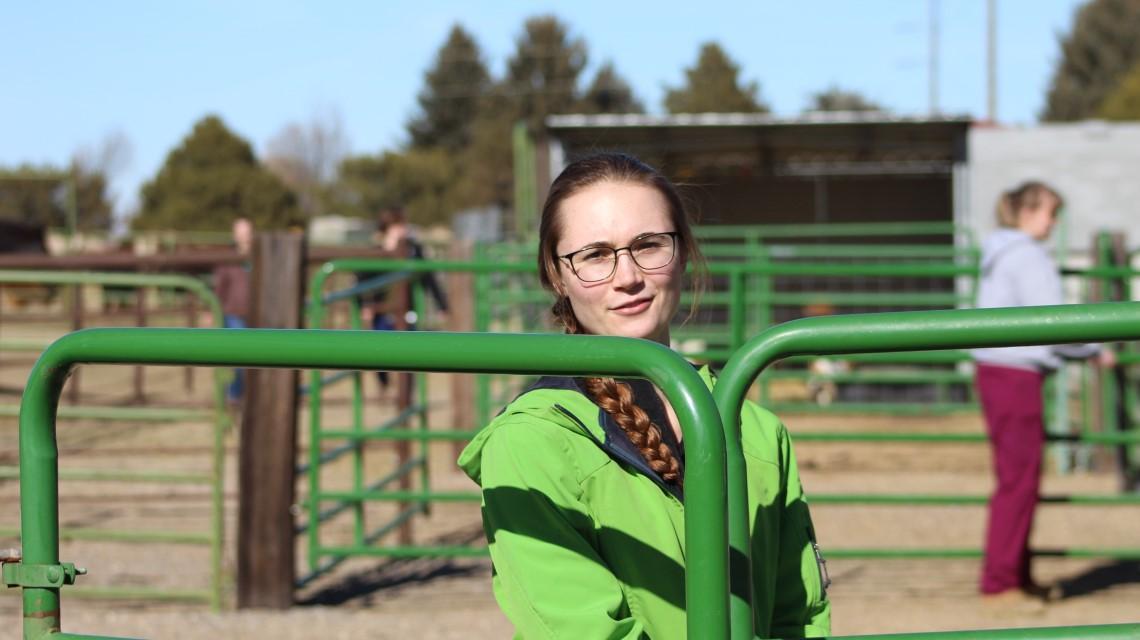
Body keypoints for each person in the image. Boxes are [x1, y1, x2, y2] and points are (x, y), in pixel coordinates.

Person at [457, 153, 830, 638]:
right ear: (556, 274)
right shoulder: (531, 443)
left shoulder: (756, 430)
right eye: (595, 255)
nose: (628, 275)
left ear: (683, 250)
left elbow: (798, 616)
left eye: (648, 245)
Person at [971, 181, 1115, 606]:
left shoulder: (1001, 251)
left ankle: (1015, 575)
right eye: (1050, 214)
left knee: (1017, 478)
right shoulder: (1027, 256)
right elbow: (1056, 323)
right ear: (1029, 212)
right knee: (1019, 481)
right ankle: (999, 584)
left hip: (1001, 370)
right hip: (1015, 374)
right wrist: (1094, 348)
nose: (1053, 224)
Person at [359, 206, 449, 395]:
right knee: (378, 354)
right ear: (386, 230)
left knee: (410, 354)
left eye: (402, 226)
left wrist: (442, 305)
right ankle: (384, 383)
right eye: (396, 227)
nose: (402, 231)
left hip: (408, 310)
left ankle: (406, 395)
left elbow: (428, 277)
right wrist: (365, 305)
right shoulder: (376, 252)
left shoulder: (414, 250)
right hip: (383, 310)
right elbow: (362, 278)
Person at [211, 217, 254, 406]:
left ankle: (239, 394)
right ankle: (235, 395)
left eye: (247, 232)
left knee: (253, 357)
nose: (244, 237)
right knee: (241, 357)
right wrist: (213, 309)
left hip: (257, 313)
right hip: (234, 312)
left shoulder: (261, 256)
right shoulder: (228, 259)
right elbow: (220, 286)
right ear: (235, 235)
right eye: (241, 233)